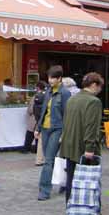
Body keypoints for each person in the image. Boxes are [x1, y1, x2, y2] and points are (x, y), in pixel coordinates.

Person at [60, 72, 104, 203]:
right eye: (100, 87)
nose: (100, 90)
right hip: (83, 148)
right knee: (89, 180)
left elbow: (66, 122)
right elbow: (91, 126)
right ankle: (87, 207)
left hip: (69, 145)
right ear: (94, 85)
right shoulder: (94, 101)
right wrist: (90, 148)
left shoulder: (72, 99)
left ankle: (70, 206)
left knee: (71, 178)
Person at [35, 65, 71, 201]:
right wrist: (38, 128)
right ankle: (65, 183)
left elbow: (67, 114)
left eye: (53, 78)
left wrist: (64, 133)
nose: (50, 80)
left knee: (48, 160)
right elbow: (44, 110)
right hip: (45, 128)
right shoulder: (49, 91)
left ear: (60, 78)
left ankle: (44, 190)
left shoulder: (65, 93)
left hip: (57, 128)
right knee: (50, 159)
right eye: (49, 77)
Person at [23, 81, 48, 155]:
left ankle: (26, 148)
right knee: (39, 134)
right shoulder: (47, 96)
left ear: (37, 88)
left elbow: (30, 110)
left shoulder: (36, 97)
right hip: (42, 119)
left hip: (34, 118)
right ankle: (37, 149)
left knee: (30, 133)